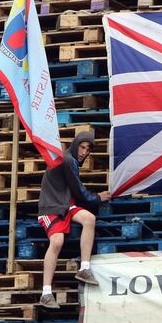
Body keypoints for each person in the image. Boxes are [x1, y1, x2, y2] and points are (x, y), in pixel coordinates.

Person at [36, 131, 111, 309]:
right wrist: (98, 198)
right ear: (75, 144)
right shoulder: (68, 160)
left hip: (65, 205)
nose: (84, 152)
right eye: (82, 147)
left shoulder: (72, 161)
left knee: (89, 219)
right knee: (57, 241)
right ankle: (46, 293)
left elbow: (73, 193)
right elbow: (79, 191)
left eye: (88, 149)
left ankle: (84, 268)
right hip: (51, 207)